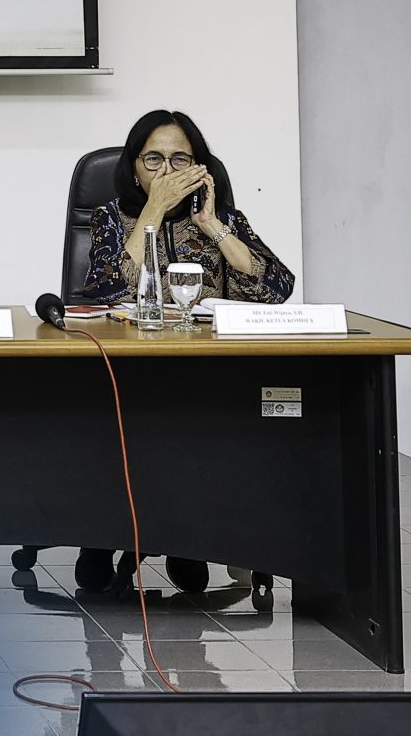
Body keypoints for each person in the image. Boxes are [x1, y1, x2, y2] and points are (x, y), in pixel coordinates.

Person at [73, 109, 294, 602]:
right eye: (153, 159)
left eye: (180, 159)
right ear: (134, 167)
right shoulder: (112, 217)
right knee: (138, 422)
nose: (167, 170)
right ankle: (105, 532)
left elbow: (276, 289)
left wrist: (212, 225)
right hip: (130, 370)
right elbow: (106, 290)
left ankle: (189, 533)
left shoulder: (223, 219)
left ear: (200, 167)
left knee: (202, 422)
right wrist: (153, 210)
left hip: (208, 372)